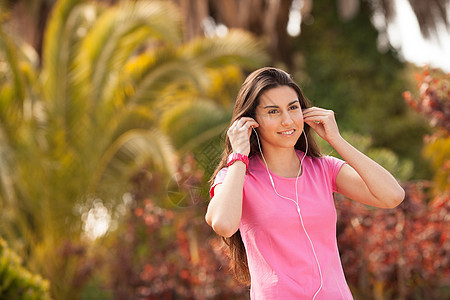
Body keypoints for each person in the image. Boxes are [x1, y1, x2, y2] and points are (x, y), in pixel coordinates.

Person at [205, 67, 405, 299]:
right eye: (273, 112)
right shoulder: (236, 177)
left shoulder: (324, 168)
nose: (287, 120)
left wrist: (336, 140)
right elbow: (223, 224)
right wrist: (239, 156)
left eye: (293, 107)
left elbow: (392, 196)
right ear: (251, 121)